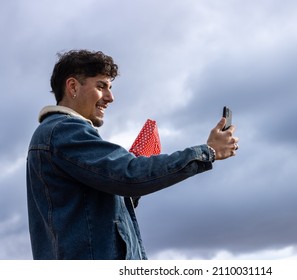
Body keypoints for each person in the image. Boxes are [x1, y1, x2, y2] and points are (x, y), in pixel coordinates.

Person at [26, 49, 239, 260]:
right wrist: (208, 151)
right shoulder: (65, 131)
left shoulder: (57, 134)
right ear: (72, 86)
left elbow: (103, 199)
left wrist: (131, 181)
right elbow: (130, 176)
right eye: (101, 86)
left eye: (110, 87)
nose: (111, 97)